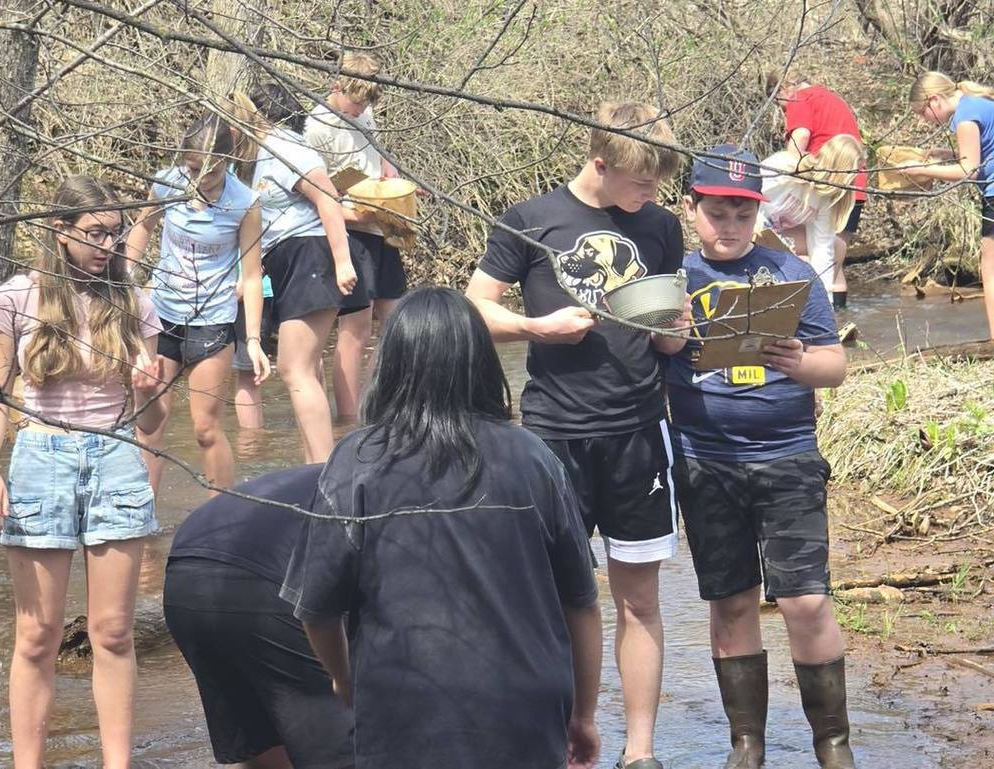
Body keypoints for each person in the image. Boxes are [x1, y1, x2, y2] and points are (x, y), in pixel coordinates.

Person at [280, 287, 604, 769]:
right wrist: (584, 714)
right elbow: (581, 603)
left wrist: (344, 678)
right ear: (482, 364)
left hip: (405, 708)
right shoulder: (533, 458)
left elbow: (317, 610)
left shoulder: (357, 461)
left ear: (390, 366)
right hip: (526, 708)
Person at [466, 101, 689, 769]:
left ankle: (639, 751)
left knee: (639, 596)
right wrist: (540, 328)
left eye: (657, 183)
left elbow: (673, 337)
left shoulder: (661, 227)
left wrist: (672, 331)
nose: (651, 195)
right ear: (600, 164)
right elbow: (473, 308)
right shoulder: (532, 220)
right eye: (640, 181)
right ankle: (562, 735)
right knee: (553, 593)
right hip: (553, 431)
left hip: (638, 430)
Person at [669, 145, 853, 769]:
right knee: (733, 600)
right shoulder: (675, 280)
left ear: (758, 216)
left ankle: (834, 743)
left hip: (788, 458)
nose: (730, 227)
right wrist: (669, 330)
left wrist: (802, 362)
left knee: (806, 600)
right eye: (718, 213)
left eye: (742, 216)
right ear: (691, 209)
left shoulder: (789, 272)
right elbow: (640, 356)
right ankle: (746, 744)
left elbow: (836, 366)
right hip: (704, 459)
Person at [0, 176, 165, 769]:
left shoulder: (133, 301)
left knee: (112, 632)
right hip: (40, 457)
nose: (107, 245)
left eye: (113, 232)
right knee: (37, 635)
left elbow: (154, 418)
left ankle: (118, 764)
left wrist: (150, 388)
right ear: (60, 232)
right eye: (94, 233)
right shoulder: (17, 296)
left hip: (114, 457)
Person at [163, 464, 354, 769]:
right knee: (343, 756)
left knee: (264, 753)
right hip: (264, 582)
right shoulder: (418, 497)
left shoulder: (355, 470)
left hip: (186, 570)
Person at [126, 113, 270, 495]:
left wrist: (253, 340)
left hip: (213, 321)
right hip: (162, 316)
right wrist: (126, 280)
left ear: (227, 163)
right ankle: (140, 524)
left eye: (209, 172)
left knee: (205, 428)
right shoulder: (168, 184)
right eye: (192, 169)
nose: (199, 180)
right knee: (150, 423)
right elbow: (142, 227)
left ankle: (221, 520)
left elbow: (252, 275)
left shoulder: (245, 203)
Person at [230, 84, 372, 462]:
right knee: (306, 369)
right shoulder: (250, 156)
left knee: (295, 369)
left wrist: (342, 261)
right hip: (282, 260)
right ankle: (313, 463)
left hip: (309, 255)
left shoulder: (284, 147)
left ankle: (322, 469)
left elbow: (327, 197)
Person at [304, 52, 408, 420]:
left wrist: (396, 183)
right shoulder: (317, 127)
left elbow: (378, 158)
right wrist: (354, 213)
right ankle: (349, 420)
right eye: (354, 101)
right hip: (349, 231)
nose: (358, 109)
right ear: (337, 85)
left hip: (381, 224)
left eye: (365, 103)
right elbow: (316, 195)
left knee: (397, 322)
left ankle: (380, 404)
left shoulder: (365, 110)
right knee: (356, 327)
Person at [904, 71, 994, 339]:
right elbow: (985, 149)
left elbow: (969, 170)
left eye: (922, 112)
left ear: (935, 100)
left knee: (990, 271)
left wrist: (925, 170)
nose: (924, 120)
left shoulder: (964, 118)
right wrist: (946, 155)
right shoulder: (977, 103)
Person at [768, 70, 868, 308]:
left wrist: (790, 169)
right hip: (851, 182)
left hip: (821, 183)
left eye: (779, 105)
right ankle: (836, 317)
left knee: (816, 250)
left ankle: (816, 314)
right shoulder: (829, 97)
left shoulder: (799, 98)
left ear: (783, 89)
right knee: (834, 260)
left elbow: (799, 139)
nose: (783, 112)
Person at [758, 134, 866, 301]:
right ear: (841, 169)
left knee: (837, 246)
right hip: (754, 227)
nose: (853, 181)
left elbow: (822, 250)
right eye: (853, 173)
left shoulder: (825, 200)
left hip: (780, 235)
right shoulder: (786, 169)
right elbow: (750, 196)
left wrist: (825, 303)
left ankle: (810, 305)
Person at [232, 271, 275, 429]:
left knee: (250, 374)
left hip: (252, 288)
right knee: (250, 373)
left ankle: (252, 446)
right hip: (247, 290)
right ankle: (253, 445)